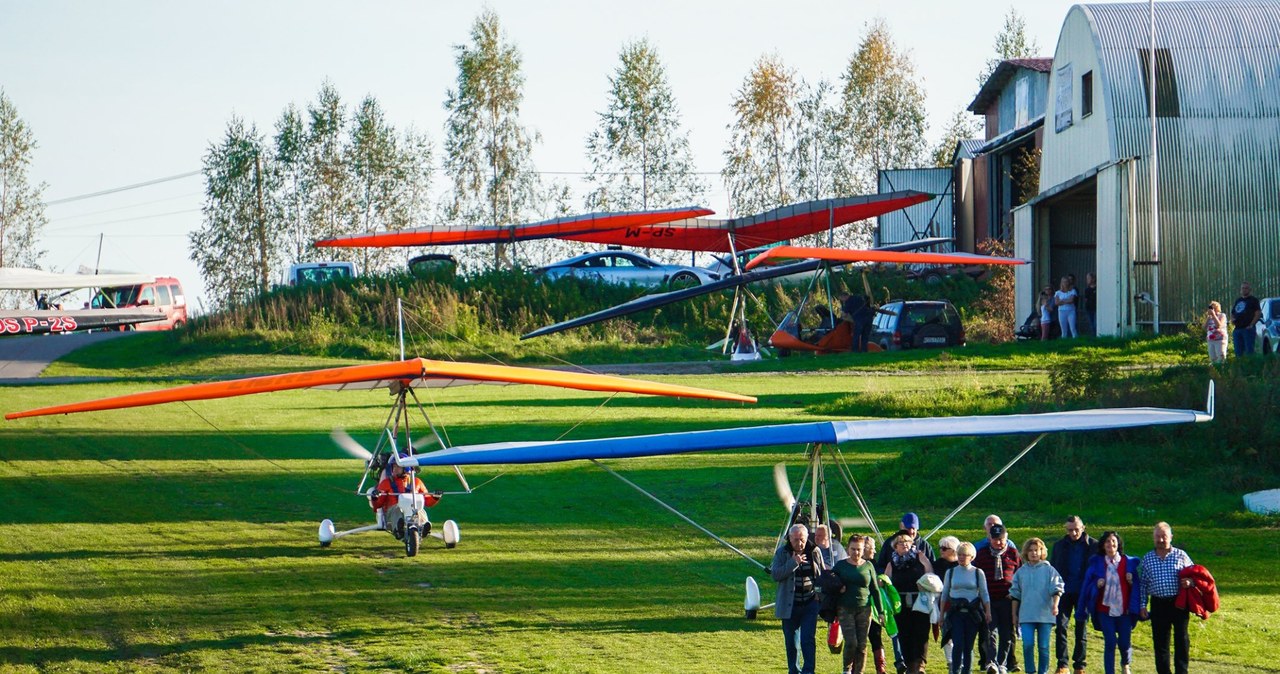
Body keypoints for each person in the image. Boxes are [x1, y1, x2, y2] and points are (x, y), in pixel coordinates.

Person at [1077, 531, 1142, 674]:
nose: (1110, 544)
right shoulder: (1096, 564)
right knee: (1110, 642)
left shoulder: (1128, 563)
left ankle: (1125, 664)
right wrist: (1096, 585)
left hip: (1124, 611)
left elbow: (1138, 588)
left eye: (1113, 541)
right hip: (1104, 610)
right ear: (1103, 545)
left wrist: (1131, 582)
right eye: (1107, 541)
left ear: (1118, 544)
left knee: (1124, 643)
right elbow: (1086, 588)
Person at [1139, 522, 1194, 674]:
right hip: (1158, 604)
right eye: (1157, 536)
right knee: (1160, 642)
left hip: (1179, 603)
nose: (1161, 540)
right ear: (1153, 537)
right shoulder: (1148, 559)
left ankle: (1182, 671)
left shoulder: (1181, 555)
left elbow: (1195, 575)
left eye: (1164, 536)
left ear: (1171, 537)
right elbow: (1143, 585)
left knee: (1181, 640)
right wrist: (1142, 605)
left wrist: (1190, 582)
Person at [772, 523, 826, 674]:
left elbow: (821, 576)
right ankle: (794, 670)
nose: (799, 543)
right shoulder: (782, 553)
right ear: (789, 539)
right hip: (790, 605)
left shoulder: (814, 551)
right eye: (795, 539)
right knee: (791, 642)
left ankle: (809, 671)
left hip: (810, 603)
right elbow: (776, 574)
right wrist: (793, 563)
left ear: (807, 537)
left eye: (802, 539)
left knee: (807, 640)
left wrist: (818, 593)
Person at [1050, 516, 1097, 674]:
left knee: (1081, 629)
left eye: (1077, 529)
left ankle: (1079, 665)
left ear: (1083, 527)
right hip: (1063, 592)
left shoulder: (1094, 546)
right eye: (1070, 530)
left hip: (1083, 592)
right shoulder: (1059, 546)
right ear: (1066, 529)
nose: (1074, 532)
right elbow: (1054, 568)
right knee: (1061, 628)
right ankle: (1062, 664)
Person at [1011, 538, 1064, 674]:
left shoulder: (1050, 570)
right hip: (1026, 615)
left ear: (1042, 552)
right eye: (1031, 551)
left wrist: (1055, 606)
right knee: (1028, 644)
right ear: (1026, 553)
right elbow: (1015, 594)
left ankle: (1043, 671)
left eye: (1037, 550)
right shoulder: (1021, 572)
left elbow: (1057, 589)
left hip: (1045, 615)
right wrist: (1014, 615)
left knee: (1044, 647)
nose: (1034, 553)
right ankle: (1030, 671)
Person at [974, 524, 1022, 674]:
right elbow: (975, 575)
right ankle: (991, 662)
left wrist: (1015, 593)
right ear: (989, 538)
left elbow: (1020, 575)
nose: (998, 543)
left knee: (1007, 633)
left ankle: (1003, 663)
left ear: (1006, 537)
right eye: (995, 539)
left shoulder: (1013, 553)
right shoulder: (981, 554)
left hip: (1007, 599)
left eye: (1001, 539)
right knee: (990, 631)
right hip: (988, 600)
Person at [885, 531, 934, 674]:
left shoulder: (920, 558)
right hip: (900, 605)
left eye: (908, 541)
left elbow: (930, 574)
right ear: (895, 547)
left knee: (921, 634)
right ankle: (910, 666)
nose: (905, 544)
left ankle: (920, 665)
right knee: (904, 635)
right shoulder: (892, 563)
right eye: (901, 542)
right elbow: (887, 581)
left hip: (920, 602)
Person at [835, 534, 885, 674]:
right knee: (851, 642)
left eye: (859, 549)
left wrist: (880, 612)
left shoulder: (868, 566)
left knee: (862, 645)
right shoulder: (841, 566)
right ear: (848, 549)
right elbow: (829, 583)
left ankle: (859, 671)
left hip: (864, 609)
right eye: (853, 549)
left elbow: (875, 590)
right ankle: (847, 669)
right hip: (845, 608)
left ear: (863, 550)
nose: (856, 552)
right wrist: (838, 587)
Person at [943, 541, 992, 674]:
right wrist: (942, 615)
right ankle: (955, 670)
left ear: (971, 556)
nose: (961, 557)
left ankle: (967, 670)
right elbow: (945, 594)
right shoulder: (951, 572)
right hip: (956, 614)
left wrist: (988, 612)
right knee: (957, 644)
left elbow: (984, 593)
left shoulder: (978, 573)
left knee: (968, 646)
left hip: (972, 614)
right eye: (959, 554)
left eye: (965, 555)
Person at [370, 463, 440, 537]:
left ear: (406, 468)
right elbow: (378, 504)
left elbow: (428, 501)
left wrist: (435, 497)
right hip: (393, 514)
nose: (395, 469)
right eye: (394, 467)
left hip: (412, 509)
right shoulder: (386, 482)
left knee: (418, 509)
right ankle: (398, 528)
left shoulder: (416, 482)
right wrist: (375, 498)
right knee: (398, 508)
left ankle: (423, 526)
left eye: (398, 467)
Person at [864, 536, 893, 674]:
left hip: (873, 607)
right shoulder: (857, 564)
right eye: (872, 549)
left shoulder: (875, 565)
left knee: (876, 637)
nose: (874, 552)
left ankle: (881, 668)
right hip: (859, 606)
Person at [935, 537, 962, 670]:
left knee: (961, 635)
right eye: (940, 548)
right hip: (944, 604)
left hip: (960, 605)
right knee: (947, 635)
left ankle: (962, 661)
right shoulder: (938, 564)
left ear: (954, 550)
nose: (941, 551)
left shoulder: (961, 565)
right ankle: (951, 662)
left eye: (945, 548)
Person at [1231, 281, 1262, 356]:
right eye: (1243, 288)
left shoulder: (1253, 300)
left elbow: (1258, 313)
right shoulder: (1238, 300)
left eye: (1246, 288)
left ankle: (1249, 366)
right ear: (1240, 290)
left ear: (1250, 290)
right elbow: (1233, 312)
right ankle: (1240, 367)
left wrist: (1251, 325)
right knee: (1238, 352)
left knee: (1249, 351)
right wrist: (1232, 320)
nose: (1244, 290)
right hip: (1237, 329)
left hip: (1248, 329)